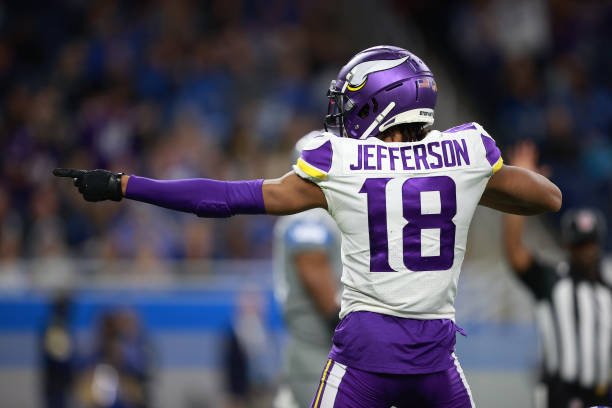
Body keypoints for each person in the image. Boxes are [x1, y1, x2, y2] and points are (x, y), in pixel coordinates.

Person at [54, 45, 562, 407]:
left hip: (364, 358)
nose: (342, 114)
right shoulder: (465, 152)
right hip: (436, 362)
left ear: (384, 102)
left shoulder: (340, 163)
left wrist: (127, 184)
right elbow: (548, 198)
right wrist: (478, 182)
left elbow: (227, 198)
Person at [503, 141, 611, 408]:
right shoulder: (552, 281)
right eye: (579, 245)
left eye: (590, 245)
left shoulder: (608, 286)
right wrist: (520, 191)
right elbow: (515, 252)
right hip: (561, 395)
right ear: (568, 247)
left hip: (603, 393)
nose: (586, 253)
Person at [273, 132, 342, 408]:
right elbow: (318, 284)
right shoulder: (309, 216)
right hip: (317, 354)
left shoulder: (319, 215)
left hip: (317, 355)